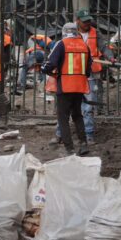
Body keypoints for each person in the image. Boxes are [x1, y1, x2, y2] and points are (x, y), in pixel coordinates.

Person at [41, 22, 92, 156]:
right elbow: (88, 71)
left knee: (63, 118)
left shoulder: (62, 44)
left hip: (65, 86)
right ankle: (83, 143)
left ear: (64, 32)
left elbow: (51, 63)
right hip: (80, 87)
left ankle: (70, 149)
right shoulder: (84, 45)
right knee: (77, 115)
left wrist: (44, 69)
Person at [75, 9, 114, 140]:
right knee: (69, 104)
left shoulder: (95, 32)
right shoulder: (72, 33)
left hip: (91, 73)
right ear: (77, 21)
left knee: (89, 105)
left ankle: (89, 133)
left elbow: (103, 47)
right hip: (75, 73)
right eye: (84, 21)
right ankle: (60, 133)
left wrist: (110, 57)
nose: (87, 24)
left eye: (88, 21)